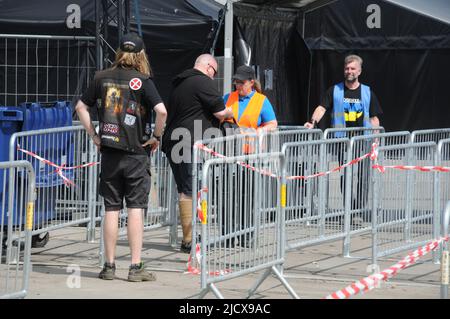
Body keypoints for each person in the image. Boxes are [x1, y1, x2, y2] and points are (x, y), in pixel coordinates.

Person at [75, 32, 167, 281]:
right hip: (136, 153)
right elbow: (161, 111)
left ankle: (109, 266)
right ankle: (136, 268)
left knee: (111, 209)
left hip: (109, 153)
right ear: (140, 54)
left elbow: (80, 107)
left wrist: (94, 135)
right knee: (136, 208)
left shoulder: (101, 77)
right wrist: (156, 137)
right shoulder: (142, 80)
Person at [161, 54, 233, 253]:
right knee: (190, 190)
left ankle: (189, 236)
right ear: (209, 67)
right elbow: (220, 112)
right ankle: (189, 239)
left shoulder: (179, 82)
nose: (213, 75)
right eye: (215, 72)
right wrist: (230, 112)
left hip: (174, 140)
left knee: (185, 189)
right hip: (188, 142)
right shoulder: (203, 82)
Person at [304, 54, 383, 223]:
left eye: (353, 68)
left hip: (363, 141)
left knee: (363, 176)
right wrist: (312, 122)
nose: (349, 71)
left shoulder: (367, 92)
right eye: (347, 68)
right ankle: (350, 208)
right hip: (343, 142)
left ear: (359, 71)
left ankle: (359, 211)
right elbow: (322, 107)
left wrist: (376, 138)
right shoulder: (335, 90)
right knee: (345, 175)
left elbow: (374, 117)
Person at [221, 65, 278, 248]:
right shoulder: (228, 98)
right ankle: (227, 236)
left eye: (241, 83)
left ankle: (247, 235)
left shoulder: (262, 101)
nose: (238, 86)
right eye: (236, 82)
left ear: (251, 83)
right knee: (227, 195)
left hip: (250, 155)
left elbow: (272, 124)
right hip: (229, 153)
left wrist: (254, 132)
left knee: (248, 196)